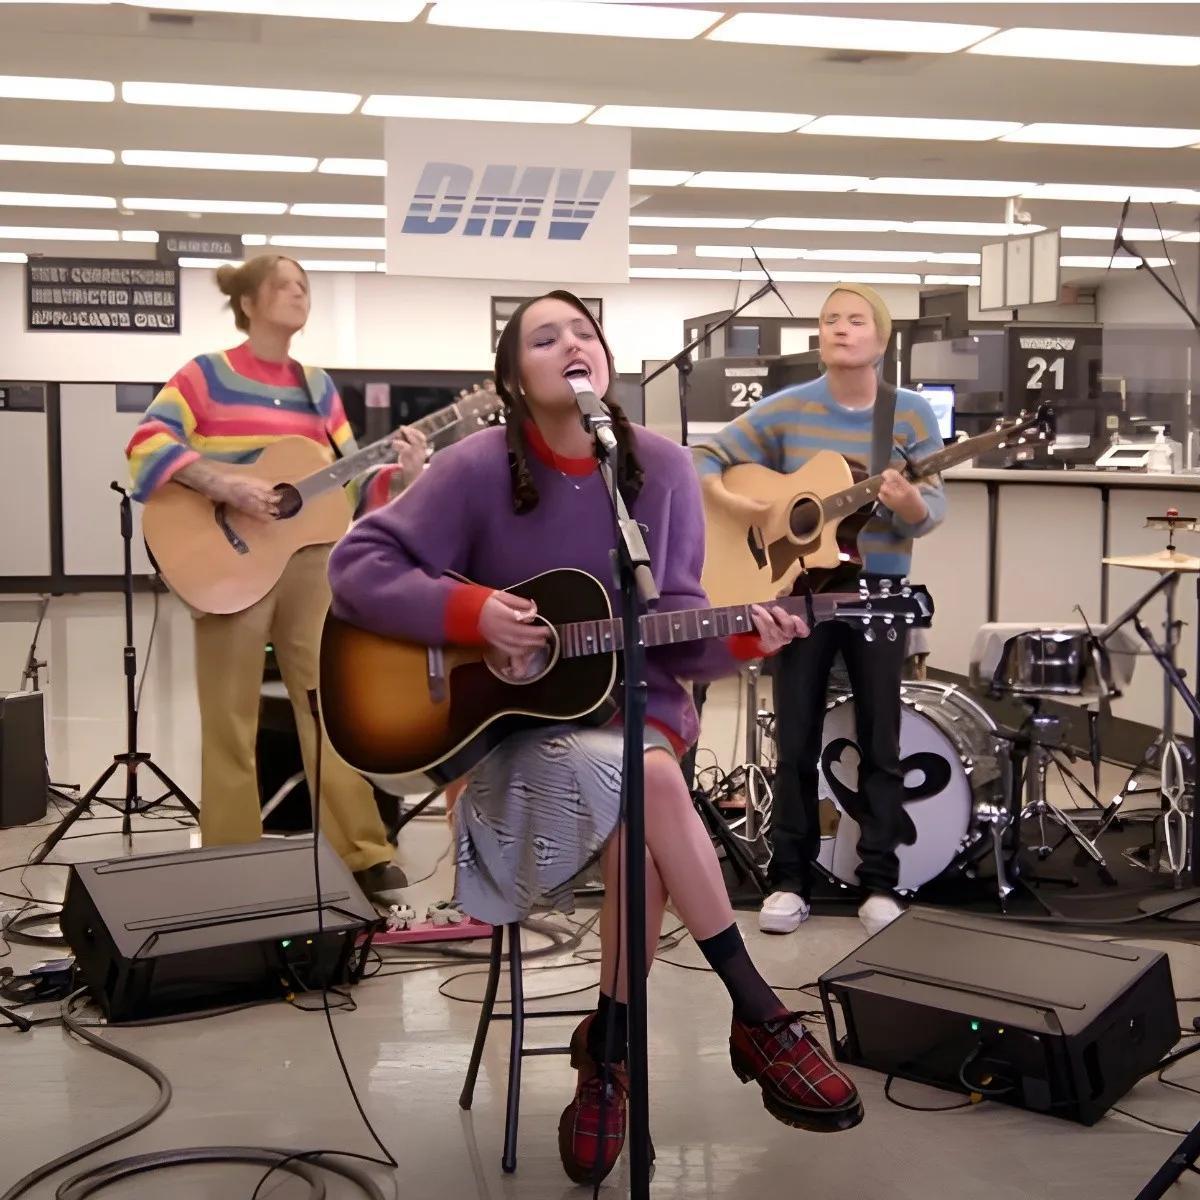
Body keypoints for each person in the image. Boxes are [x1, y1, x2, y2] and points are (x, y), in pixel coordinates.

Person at [328, 290, 863, 1183]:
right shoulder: (472, 467)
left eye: (584, 332)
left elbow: (681, 629)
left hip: (636, 717)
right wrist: (470, 614)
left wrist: (746, 638)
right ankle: (751, 1010)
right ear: (514, 376)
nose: (571, 344)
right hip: (515, 739)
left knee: (644, 779)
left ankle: (609, 1052)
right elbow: (357, 565)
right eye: (545, 337)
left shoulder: (658, 468)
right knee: (649, 787)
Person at [125, 254, 426, 901]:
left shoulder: (317, 386)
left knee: (328, 705)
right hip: (227, 560)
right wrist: (223, 482)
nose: (299, 294)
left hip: (309, 558)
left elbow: (351, 477)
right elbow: (147, 443)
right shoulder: (206, 376)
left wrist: (401, 474)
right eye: (285, 285)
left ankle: (363, 849)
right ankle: (233, 855)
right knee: (230, 714)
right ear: (251, 301)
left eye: (306, 286)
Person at [695, 282, 945, 938]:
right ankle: (789, 877)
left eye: (854, 319)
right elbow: (707, 457)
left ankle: (880, 880)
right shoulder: (786, 410)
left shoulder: (910, 415)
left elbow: (932, 511)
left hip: (878, 594)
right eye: (830, 319)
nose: (839, 328)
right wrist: (752, 507)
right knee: (796, 737)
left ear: (881, 339)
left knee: (881, 740)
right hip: (800, 594)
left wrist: (910, 503)